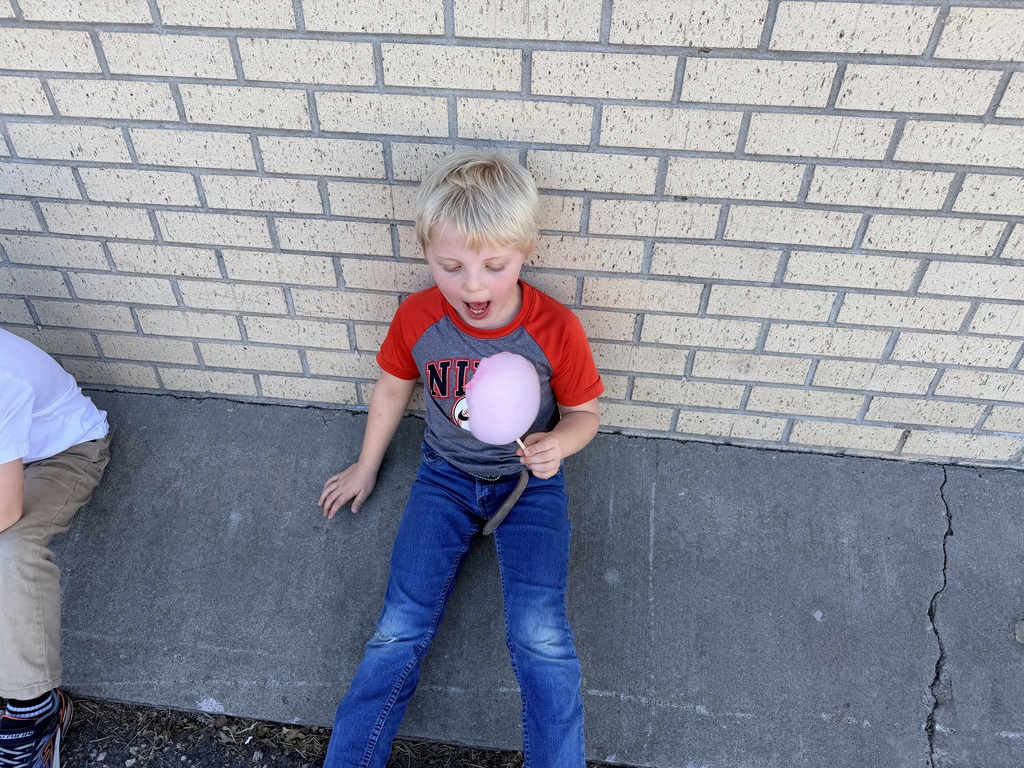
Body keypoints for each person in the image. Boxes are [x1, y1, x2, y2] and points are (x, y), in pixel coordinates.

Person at [317, 149, 603, 768]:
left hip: (528, 486)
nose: (473, 285)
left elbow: (587, 412)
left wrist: (561, 444)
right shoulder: (419, 317)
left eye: (494, 265)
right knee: (399, 626)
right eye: (451, 266)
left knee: (542, 637)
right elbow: (394, 385)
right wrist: (367, 466)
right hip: (443, 478)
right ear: (427, 255)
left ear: (524, 252)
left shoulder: (554, 328)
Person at [0, 328, 110, 768]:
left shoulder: (5, 377)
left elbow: (7, 511)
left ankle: (35, 714)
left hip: (62, 454)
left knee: (12, 553)